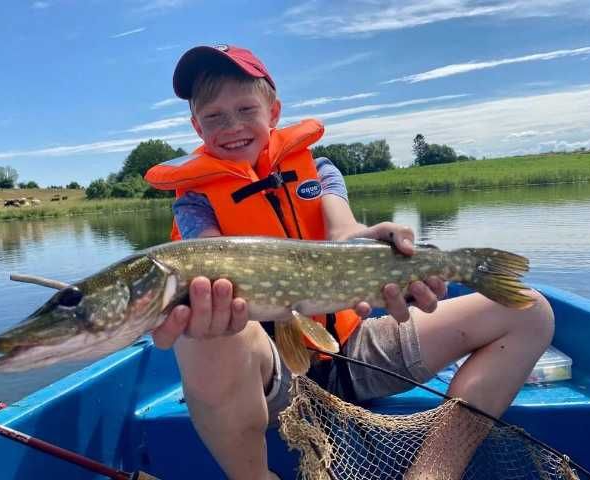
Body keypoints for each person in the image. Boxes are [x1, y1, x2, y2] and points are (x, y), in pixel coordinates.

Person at [145, 45, 554, 480]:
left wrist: (381, 246)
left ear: (274, 110)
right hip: (267, 371)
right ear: (195, 125)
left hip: (354, 348)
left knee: (530, 311)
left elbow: (344, 234)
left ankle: (434, 470)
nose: (232, 126)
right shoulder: (193, 201)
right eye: (214, 116)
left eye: (245, 109)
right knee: (203, 330)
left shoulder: (319, 171)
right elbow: (212, 260)